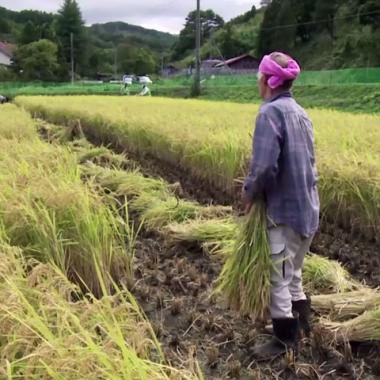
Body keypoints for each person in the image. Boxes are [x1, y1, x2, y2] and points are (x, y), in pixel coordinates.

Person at [243, 52, 320, 360]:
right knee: (294, 270)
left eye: (259, 76)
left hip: (285, 210)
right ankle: (304, 323)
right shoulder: (301, 112)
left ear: (269, 80)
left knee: (279, 276)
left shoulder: (269, 113)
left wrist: (249, 194)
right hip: (309, 208)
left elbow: (264, 167)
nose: (257, 81)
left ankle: (284, 339)